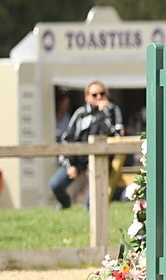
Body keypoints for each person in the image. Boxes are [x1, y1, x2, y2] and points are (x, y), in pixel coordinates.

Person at [50, 80, 124, 209]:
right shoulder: (80, 113)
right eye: (94, 95)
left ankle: (87, 209)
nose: (99, 97)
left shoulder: (113, 111)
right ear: (87, 96)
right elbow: (68, 139)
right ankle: (65, 204)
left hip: (101, 158)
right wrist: (70, 164)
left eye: (102, 93)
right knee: (55, 185)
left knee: (91, 199)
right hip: (78, 158)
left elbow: (118, 136)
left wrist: (104, 114)